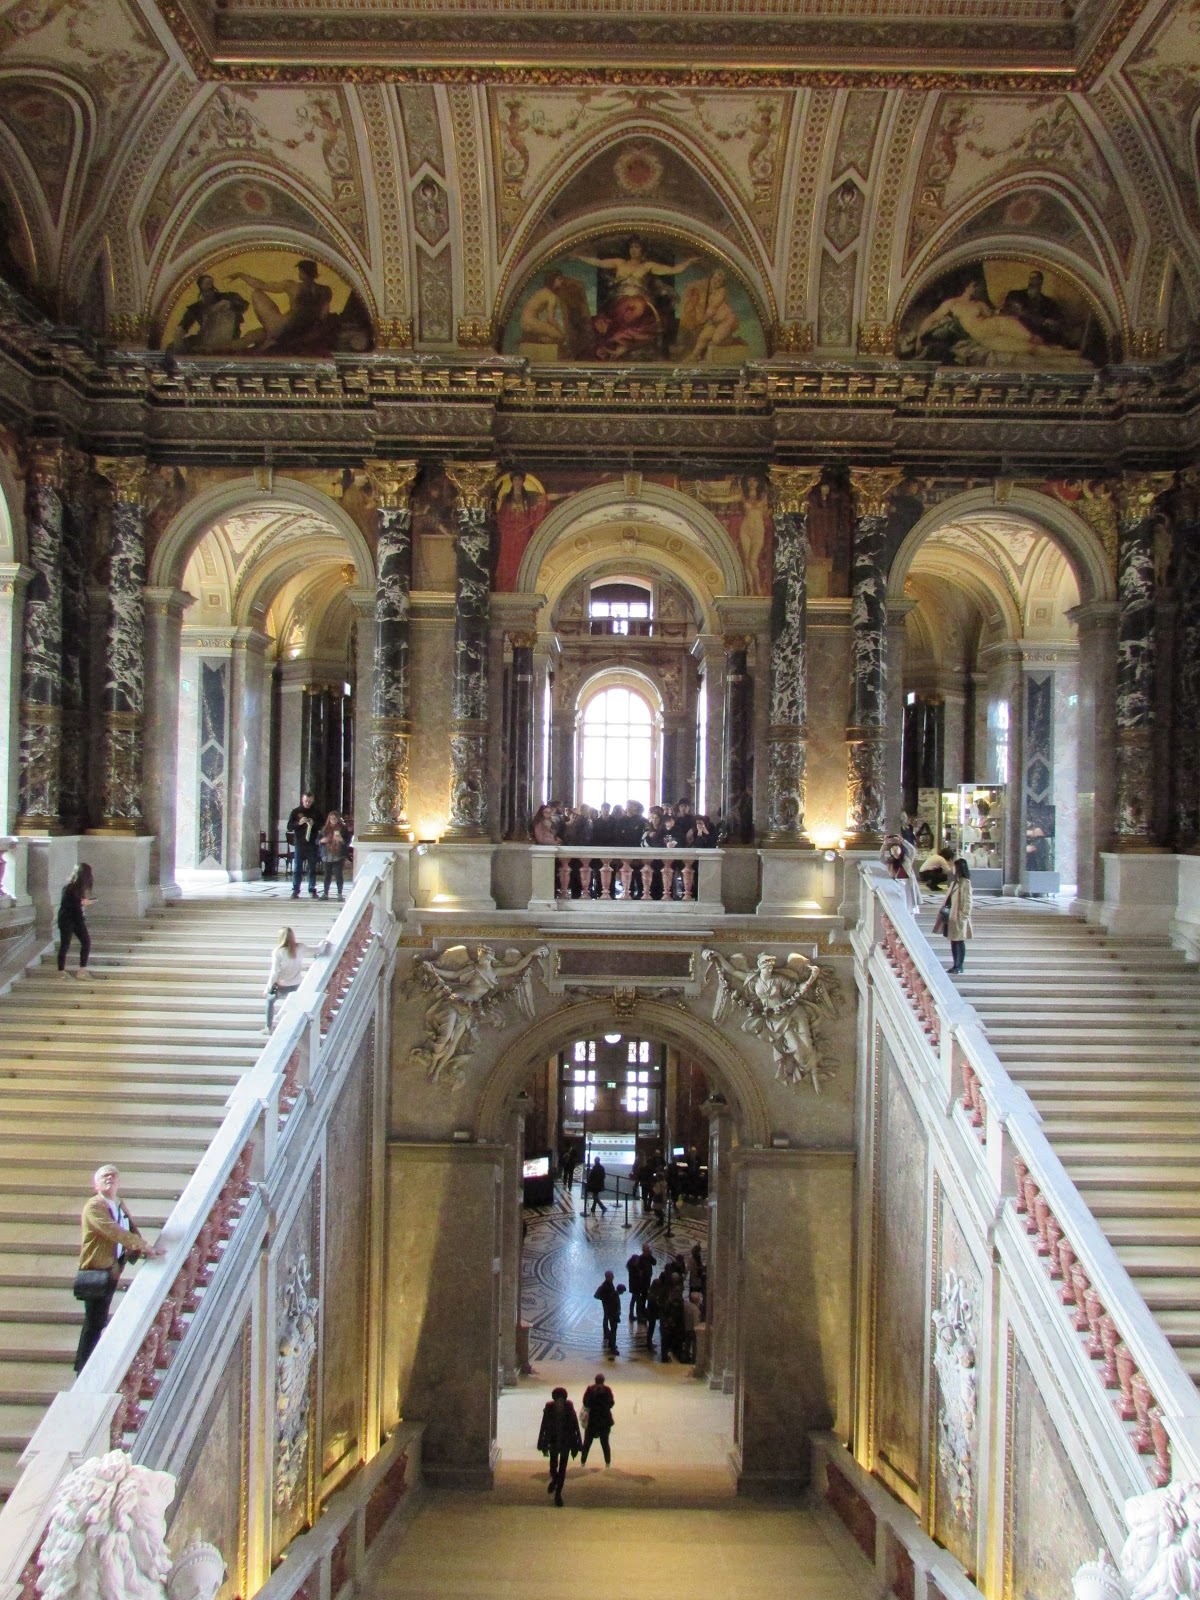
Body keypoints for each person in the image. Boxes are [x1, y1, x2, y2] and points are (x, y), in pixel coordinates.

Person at [74, 1164, 164, 1373]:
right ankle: (84, 1367)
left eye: (113, 1176)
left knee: (99, 1319)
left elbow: (129, 1228)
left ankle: (90, 1364)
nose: (110, 1179)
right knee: (94, 1321)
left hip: (112, 1268)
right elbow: (114, 1231)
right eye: (104, 1176)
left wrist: (144, 1248)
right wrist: (144, 1247)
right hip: (96, 1270)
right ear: (95, 1184)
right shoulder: (94, 1207)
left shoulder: (118, 1203)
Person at [537, 1386, 582, 1506]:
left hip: (566, 1441)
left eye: (561, 1400)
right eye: (557, 1400)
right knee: (553, 1467)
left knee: (562, 1468)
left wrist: (578, 1442)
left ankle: (558, 1494)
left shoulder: (569, 1409)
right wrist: (541, 1441)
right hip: (553, 1441)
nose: (559, 1403)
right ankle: (555, 1481)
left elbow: (575, 1426)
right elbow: (543, 1426)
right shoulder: (549, 1409)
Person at [57, 862, 94, 979]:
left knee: (86, 942)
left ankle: (82, 970)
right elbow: (68, 904)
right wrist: (82, 902)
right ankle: (61, 971)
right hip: (67, 919)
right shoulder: (69, 887)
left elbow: (76, 904)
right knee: (65, 944)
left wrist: (82, 902)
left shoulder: (78, 889)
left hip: (76, 919)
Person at [264, 926, 304, 1034]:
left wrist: (268, 988)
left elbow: (274, 972)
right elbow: (317, 950)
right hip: (297, 984)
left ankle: (268, 1027)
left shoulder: (278, 952)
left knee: (270, 1000)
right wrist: (322, 944)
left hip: (282, 985)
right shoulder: (300, 947)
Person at [288, 791, 320, 899]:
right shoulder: (296, 812)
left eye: (310, 801)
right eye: (306, 801)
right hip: (300, 843)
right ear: (302, 800)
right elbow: (289, 826)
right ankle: (295, 890)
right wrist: (299, 823)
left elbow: (322, 825)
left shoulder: (316, 812)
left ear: (312, 801)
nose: (308, 803)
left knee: (312, 867)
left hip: (312, 843)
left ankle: (312, 889)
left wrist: (314, 824)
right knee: (297, 868)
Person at [946, 856, 974, 976]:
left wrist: (963, 916)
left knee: (959, 941)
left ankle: (959, 965)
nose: (952, 868)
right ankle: (955, 965)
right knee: (954, 941)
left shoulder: (965, 883)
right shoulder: (955, 883)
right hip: (953, 916)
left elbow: (968, 901)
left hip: (959, 917)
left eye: (954, 866)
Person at [580, 1374, 616, 1466]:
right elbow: (611, 1404)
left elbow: (586, 1403)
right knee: (604, 1444)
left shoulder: (591, 1389)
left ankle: (583, 1463)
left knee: (588, 1443)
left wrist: (595, 1396)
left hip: (593, 1421)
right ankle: (607, 1464)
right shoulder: (606, 1390)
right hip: (603, 1421)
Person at [319, 810, 351, 899]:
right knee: (327, 875)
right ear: (329, 819)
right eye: (331, 818)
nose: (333, 820)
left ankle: (339, 893)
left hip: (339, 855)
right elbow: (317, 840)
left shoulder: (343, 829)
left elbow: (348, 840)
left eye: (335, 818)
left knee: (338, 875)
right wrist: (321, 841)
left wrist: (341, 840)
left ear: (338, 819)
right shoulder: (324, 829)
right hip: (327, 854)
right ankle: (325, 893)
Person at [594, 1270, 624, 1354]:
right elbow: (599, 1296)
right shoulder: (606, 1286)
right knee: (613, 1329)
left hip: (609, 1309)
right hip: (611, 1310)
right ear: (608, 1277)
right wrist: (606, 1300)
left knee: (611, 1325)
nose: (613, 1277)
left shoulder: (609, 1285)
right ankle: (612, 1345)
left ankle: (610, 1340)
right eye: (612, 1276)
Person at [626, 1243, 655, 1322]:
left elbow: (654, 1262)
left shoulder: (634, 1267)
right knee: (638, 1302)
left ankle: (633, 1315)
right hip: (637, 1287)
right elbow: (637, 1276)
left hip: (637, 1286)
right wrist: (640, 1275)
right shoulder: (634, 1268)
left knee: (635, 1300)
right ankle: (639, 1316)